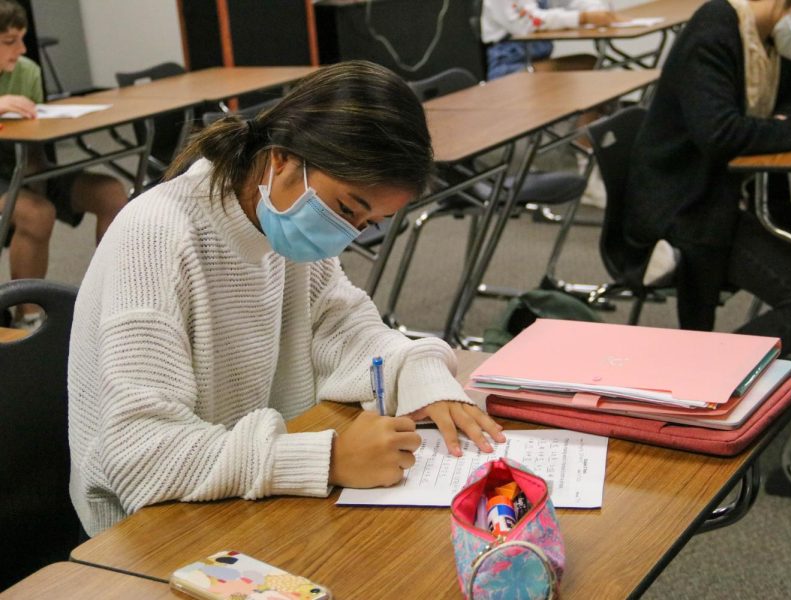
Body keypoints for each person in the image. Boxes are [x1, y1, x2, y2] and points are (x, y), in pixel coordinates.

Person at [67, 60, 507, 537]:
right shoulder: (157, 236)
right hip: (149, 530)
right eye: (345, 209)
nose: (344, 235)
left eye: (366, 224)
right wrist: (330, 458)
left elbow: (345, 328)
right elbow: (140, 457)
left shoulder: (282, 216)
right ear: (282, 158)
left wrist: (421, 373)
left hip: (241, 498)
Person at [624, 0, 791, 355]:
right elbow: (721, 136)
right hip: (689, 207)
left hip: (735, 199)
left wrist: (774, 127)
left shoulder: (775, 38)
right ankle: (704, 373)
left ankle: (765, 269)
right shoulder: (717, 30)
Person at [0, 0, 127, 328]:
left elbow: (37, 136)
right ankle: (26, 316)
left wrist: (39, 178)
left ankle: (112, 298)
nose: (21, 49)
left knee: (111, 193)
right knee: (37, 213)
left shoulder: (27, 71)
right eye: (9, 41)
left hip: (28, 165)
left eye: (22, 39)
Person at [480, 0, 615, 80]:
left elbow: (574, 2)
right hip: (510, 68)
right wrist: (583, 17)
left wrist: (599, 12)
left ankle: (588, 127)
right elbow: (528, 22)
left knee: (591, 65)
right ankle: (585, 128)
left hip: (537, 61)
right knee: (588, 69)